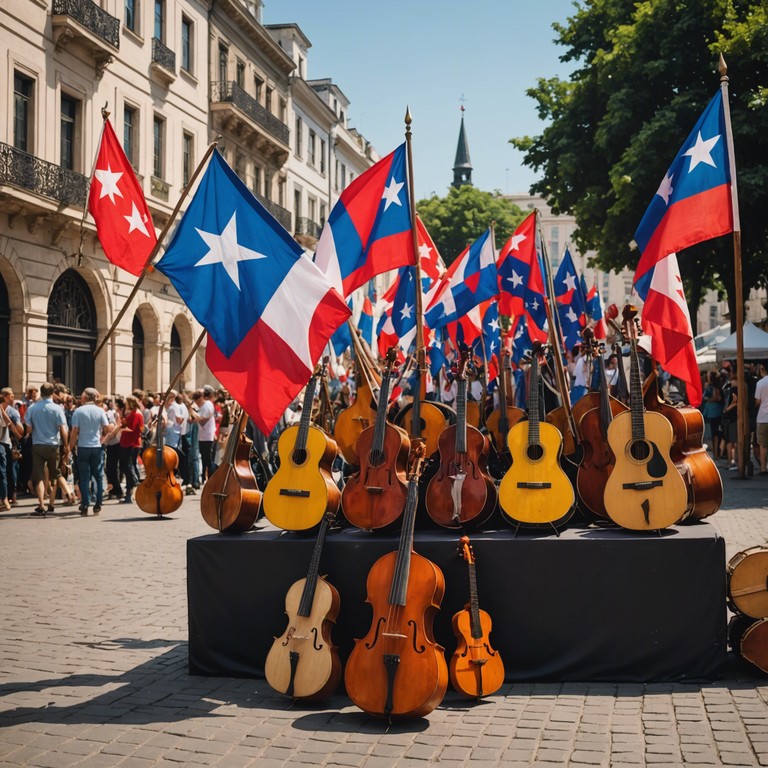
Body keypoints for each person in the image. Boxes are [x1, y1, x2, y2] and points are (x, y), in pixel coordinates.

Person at [24, 382, 68, 516]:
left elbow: (29, 429)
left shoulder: (32, 408)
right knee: (54, 476)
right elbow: (62, 428)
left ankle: (41, 504)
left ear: (41, 393)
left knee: (39, 477)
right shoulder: (57, 408)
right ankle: (52, 504)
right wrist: (66, 446)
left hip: (37, 445)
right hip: (53, 445)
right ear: (52, 392)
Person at [69, 388, 110, 515]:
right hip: (96, 446)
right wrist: (101, 437)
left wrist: (69, 447)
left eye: (81, 396)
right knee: (98, 476)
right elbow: (107, 427)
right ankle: (98, 503)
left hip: (83, 446)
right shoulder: (100, 410)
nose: (80, 399)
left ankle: (85, 504)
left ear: (86, 398)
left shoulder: (78, 411)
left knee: (84, 477)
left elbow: (75, 431)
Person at [118, 395, 144, 504]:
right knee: (129, 465)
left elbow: (132, 429)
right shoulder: (136, 413)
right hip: (131, 443)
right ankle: (130, 492)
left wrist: (120, 428)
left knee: (126, 466)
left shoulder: (135, 414)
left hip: (129, 443)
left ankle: (134, 482)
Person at [195, 385, 217, 483]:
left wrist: (194, 415)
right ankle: (204, 477)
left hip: (208, 435)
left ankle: (211, 477)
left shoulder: (208, 405)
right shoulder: (203, 405)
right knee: (204, 457)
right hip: (202, 436)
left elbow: (203, 421)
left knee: (208, 458)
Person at [754, 363, 768, 474]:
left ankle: (763, 468)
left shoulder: (760, 383)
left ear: (762, 369)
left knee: (763, 445)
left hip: (763, 417)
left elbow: (757, 401)